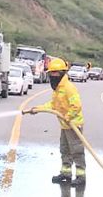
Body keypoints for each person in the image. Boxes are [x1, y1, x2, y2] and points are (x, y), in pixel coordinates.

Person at [24, 57, 86, 186]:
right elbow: (53, 105)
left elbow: (76, 105)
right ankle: (66, 173)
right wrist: (37, 109)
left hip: (73, 125)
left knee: (76, 150)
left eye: (54, 73)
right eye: (51, 73)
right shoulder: (58, 89)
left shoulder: (68, 87)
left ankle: (81, 176)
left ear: (62, 73)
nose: (52, 75)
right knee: (65, 150)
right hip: (65, 125)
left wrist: (68, 117)